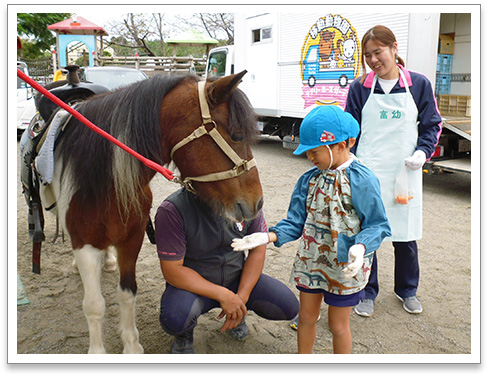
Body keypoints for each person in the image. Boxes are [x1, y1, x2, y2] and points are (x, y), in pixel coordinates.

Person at [232, 105, 391, 354]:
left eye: (314, 151)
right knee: (306, 317)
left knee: (338, 325)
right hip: (311, 262)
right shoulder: (309, 179)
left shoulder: (362, 179)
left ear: (341, 145)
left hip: (344, 268)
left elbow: (377, 224)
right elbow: (295, 221)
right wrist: (266, 236)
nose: (310, 158)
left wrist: (361, 247)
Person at [344, 25, 442, 317]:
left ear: (394, 48)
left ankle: (407, 290)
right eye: (368, 55)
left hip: (404, 171)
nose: (374, 59)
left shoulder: (418, 84)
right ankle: (366, 290)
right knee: (367, 234)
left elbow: (432, 124)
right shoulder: (360, 87)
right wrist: (349, 161)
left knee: (404, 234)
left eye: (379, 52)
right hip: (369, 171)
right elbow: (351, 130)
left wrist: (422, 152)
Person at [154, 188, 300, 354]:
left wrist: (241, 297)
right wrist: (224, 296)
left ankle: (237, 315)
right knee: (175, 319)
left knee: (288, 307)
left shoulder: (246, 201)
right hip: (196, 288)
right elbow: (173, 270)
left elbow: (257, 251)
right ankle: (184, 335)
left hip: (235, 278)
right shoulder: (172, 210)